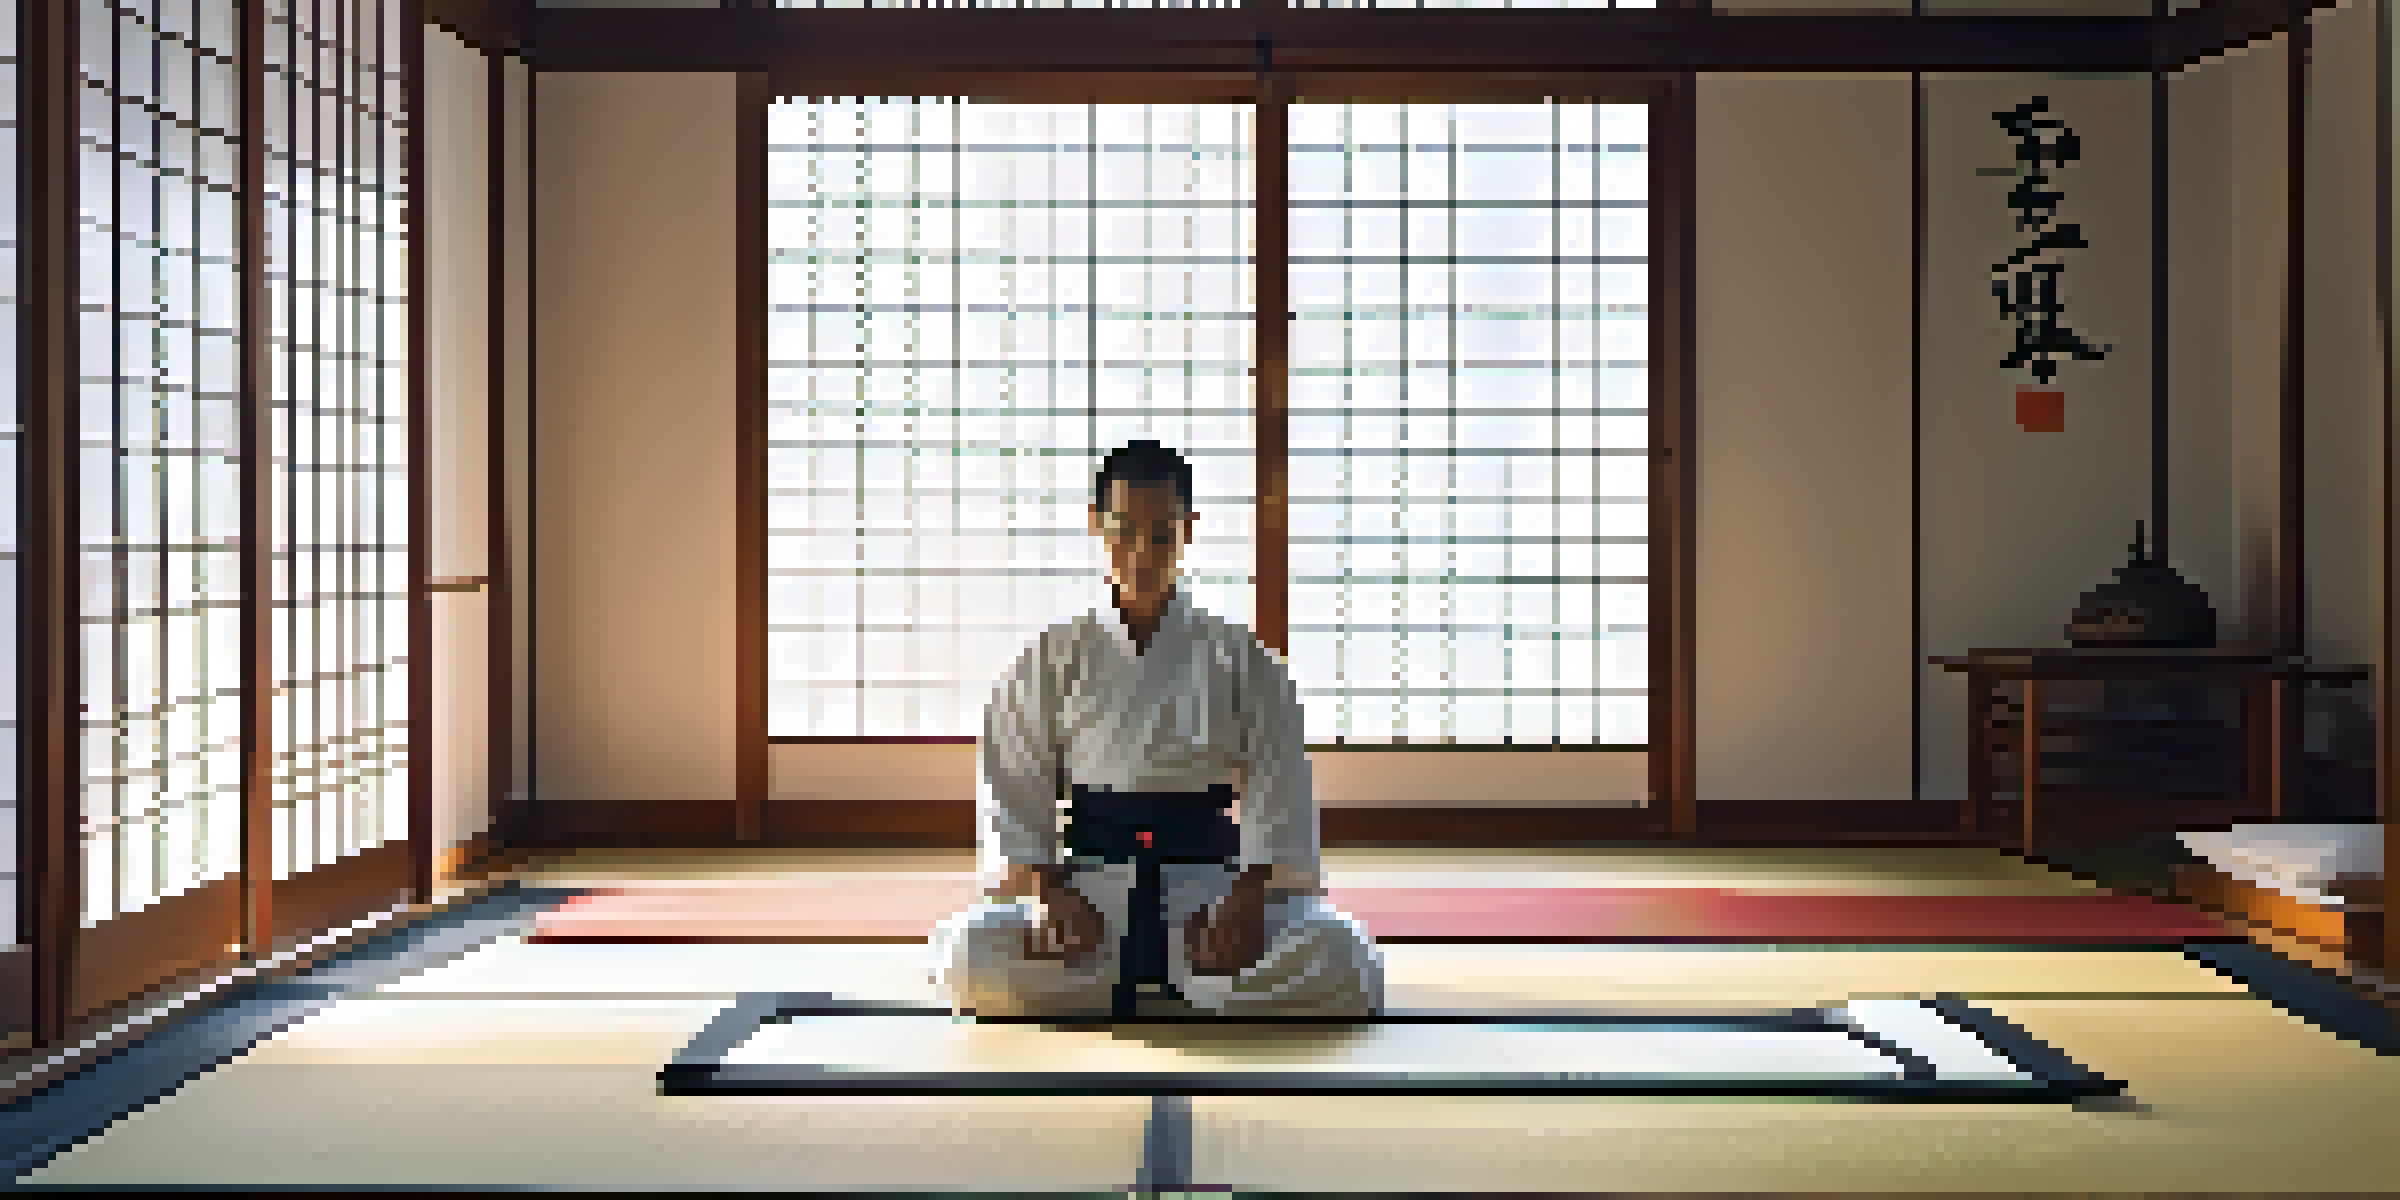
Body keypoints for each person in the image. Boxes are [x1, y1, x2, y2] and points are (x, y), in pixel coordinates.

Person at [929, 440, 1384, 1020]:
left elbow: (1281, 790)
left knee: (1339, 954)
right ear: (1097, 526)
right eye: (1124, 532)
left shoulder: (1243, 660)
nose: (1142, 553)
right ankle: (1190, 994)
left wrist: (1246, 902)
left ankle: (1139, 986)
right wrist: (1049, 895)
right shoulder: (1049, 658)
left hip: (1212, 896)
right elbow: (1012, 789)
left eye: (1162, 534)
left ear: (1188, 530)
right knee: (971, 953)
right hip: (1091, 897)